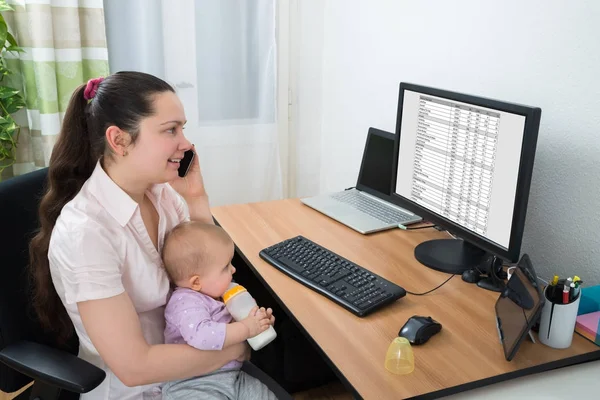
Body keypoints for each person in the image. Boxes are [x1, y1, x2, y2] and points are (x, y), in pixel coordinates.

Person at [28, 71, 269, 400]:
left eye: (183, 128)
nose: (185, 143)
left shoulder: (162, 195)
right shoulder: (86, 234)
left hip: (201, 368)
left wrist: (195, 197)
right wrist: (236, 346)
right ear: (119, 140)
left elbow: (205, 270)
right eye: (171, 130)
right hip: (141, 390)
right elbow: (134, 367)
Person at [160, 221, 277, 399]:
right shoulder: (185, 302)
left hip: (232, 376)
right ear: (196, 282)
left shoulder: (218, 294)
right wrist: (246, 328)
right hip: (193, 382)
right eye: (226, 267)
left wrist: (259, 321)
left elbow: (236, 326)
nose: (234, 269)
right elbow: (203, 336)